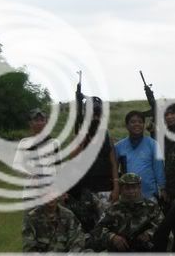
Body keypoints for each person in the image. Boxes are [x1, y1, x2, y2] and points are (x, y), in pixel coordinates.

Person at [64, 96, 119, 232]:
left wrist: (116, 187)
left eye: (97, 114)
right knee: (88, 227)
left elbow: (113, 164)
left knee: (107, 226)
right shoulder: (79, 136)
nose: (95, 117)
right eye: (92, 114)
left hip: (105, 188)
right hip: (86, 190)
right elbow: (71, 159)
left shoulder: (107, 136)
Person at [90, 173, 164, 253]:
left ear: (139, 188)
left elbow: (163, 226)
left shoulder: (152, 207)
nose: (131, 191)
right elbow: (97, 230)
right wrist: (113, 237)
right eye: (127, 188)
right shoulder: (113, 209)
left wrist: (149, 234)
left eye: (134, 187)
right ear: (121, 189)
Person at [114, 110, 165, 201]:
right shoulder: (118, 147)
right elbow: (114, 170)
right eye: (133, 122)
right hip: (127, 196)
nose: (137, 124)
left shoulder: (153, 144)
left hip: (149, 196)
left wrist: (163, 188)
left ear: (144, 125)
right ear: (127, 126)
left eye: (140, 122)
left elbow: (159, 169)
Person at [12, 108, 60, 199]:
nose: (39, 123)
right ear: (30, 123)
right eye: (36, 120)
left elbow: (58, 168)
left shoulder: (54, 143)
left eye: (42, 120)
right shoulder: (24, 143)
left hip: (50, 192)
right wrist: (31, 175)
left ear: (46, 122)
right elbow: (16, 165)